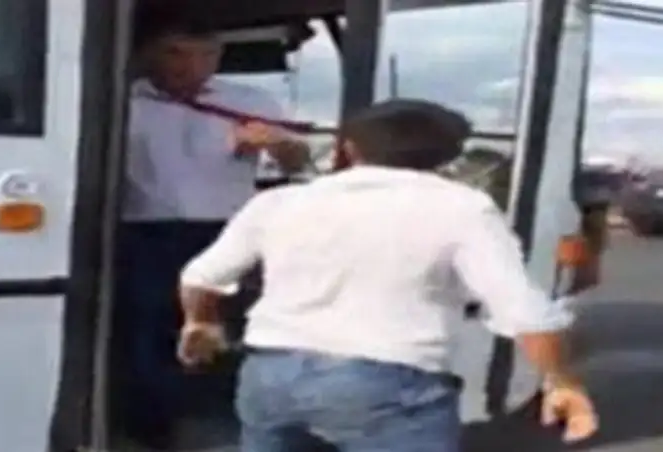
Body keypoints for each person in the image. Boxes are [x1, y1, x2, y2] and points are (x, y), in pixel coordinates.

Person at [176, 99, 599, 451]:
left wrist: (201, 321)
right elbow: (522, 309)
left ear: (349, 148)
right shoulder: (461, 207)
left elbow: (202, 275)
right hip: (389, 383)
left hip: (271, 376)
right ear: (450, 156)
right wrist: (560, 380)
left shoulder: (281, 202)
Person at [113, 9, 310, 450]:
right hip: (144, 232)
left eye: (207, 55)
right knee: (147, 330)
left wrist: (277, 145)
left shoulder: (250, 101)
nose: (193, 66)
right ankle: (153, 429)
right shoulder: (118, 100)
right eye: (176, 53)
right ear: (149, 55)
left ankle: (217, 424)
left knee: (226, 329)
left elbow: (297, 162)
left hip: (227, 232)